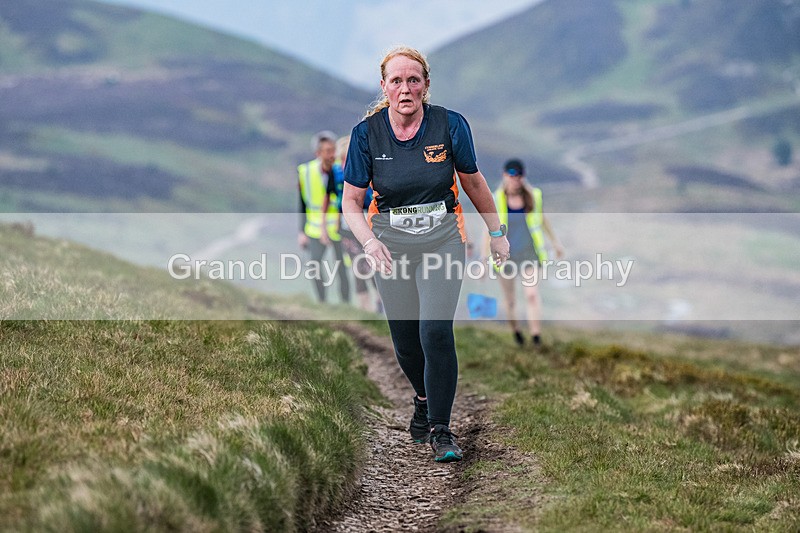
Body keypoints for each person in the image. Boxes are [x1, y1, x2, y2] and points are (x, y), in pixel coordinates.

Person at [342, 46, 510, 463]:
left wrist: (496, 233)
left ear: (426, 85)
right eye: (396, 81)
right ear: (384, 87)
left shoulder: (450, 125)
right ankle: (422, 397)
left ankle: (441, 428)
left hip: (443, 241)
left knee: (434, 331)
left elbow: (473, 182)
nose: (405, 89)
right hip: (390, 247)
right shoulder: (366, 135)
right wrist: (369, 242)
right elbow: (351, 202)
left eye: (413, 80)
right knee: (405, 341)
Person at [491, 158, 564, 347]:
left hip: (530, 253)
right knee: (510, 300)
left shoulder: (534, 196)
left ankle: (536, 337)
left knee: (531, 294)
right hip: (505, 255)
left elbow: (542, 219)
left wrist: (555, 242)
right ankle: (516, 333)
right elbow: (488, 230)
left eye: (519, 175)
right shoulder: (496, 199)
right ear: (504, 175)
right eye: (512, 175)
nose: (516, 179)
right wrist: (485, 256)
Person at [297, 130, 350, 304]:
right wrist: (301, 231)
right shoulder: (305, 172)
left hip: (338, 228)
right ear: (318, 153)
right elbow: (302, 203)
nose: (332, 154)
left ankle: (346, 304)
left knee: (342, 268)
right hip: (314, 229)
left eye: (333, 150)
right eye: (327, 151)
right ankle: (322, 302)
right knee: (314, 265)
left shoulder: (342, 169)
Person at [335, 135, 383, 313]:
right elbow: (335, 202)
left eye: (347, 160)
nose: (344, 164)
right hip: (347, 229)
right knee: (358, 267)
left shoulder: (369, 174)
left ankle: (380, 303)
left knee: (372, 265)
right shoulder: (337, 175)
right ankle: (365, 310)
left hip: (369, 227)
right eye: (342, 160)